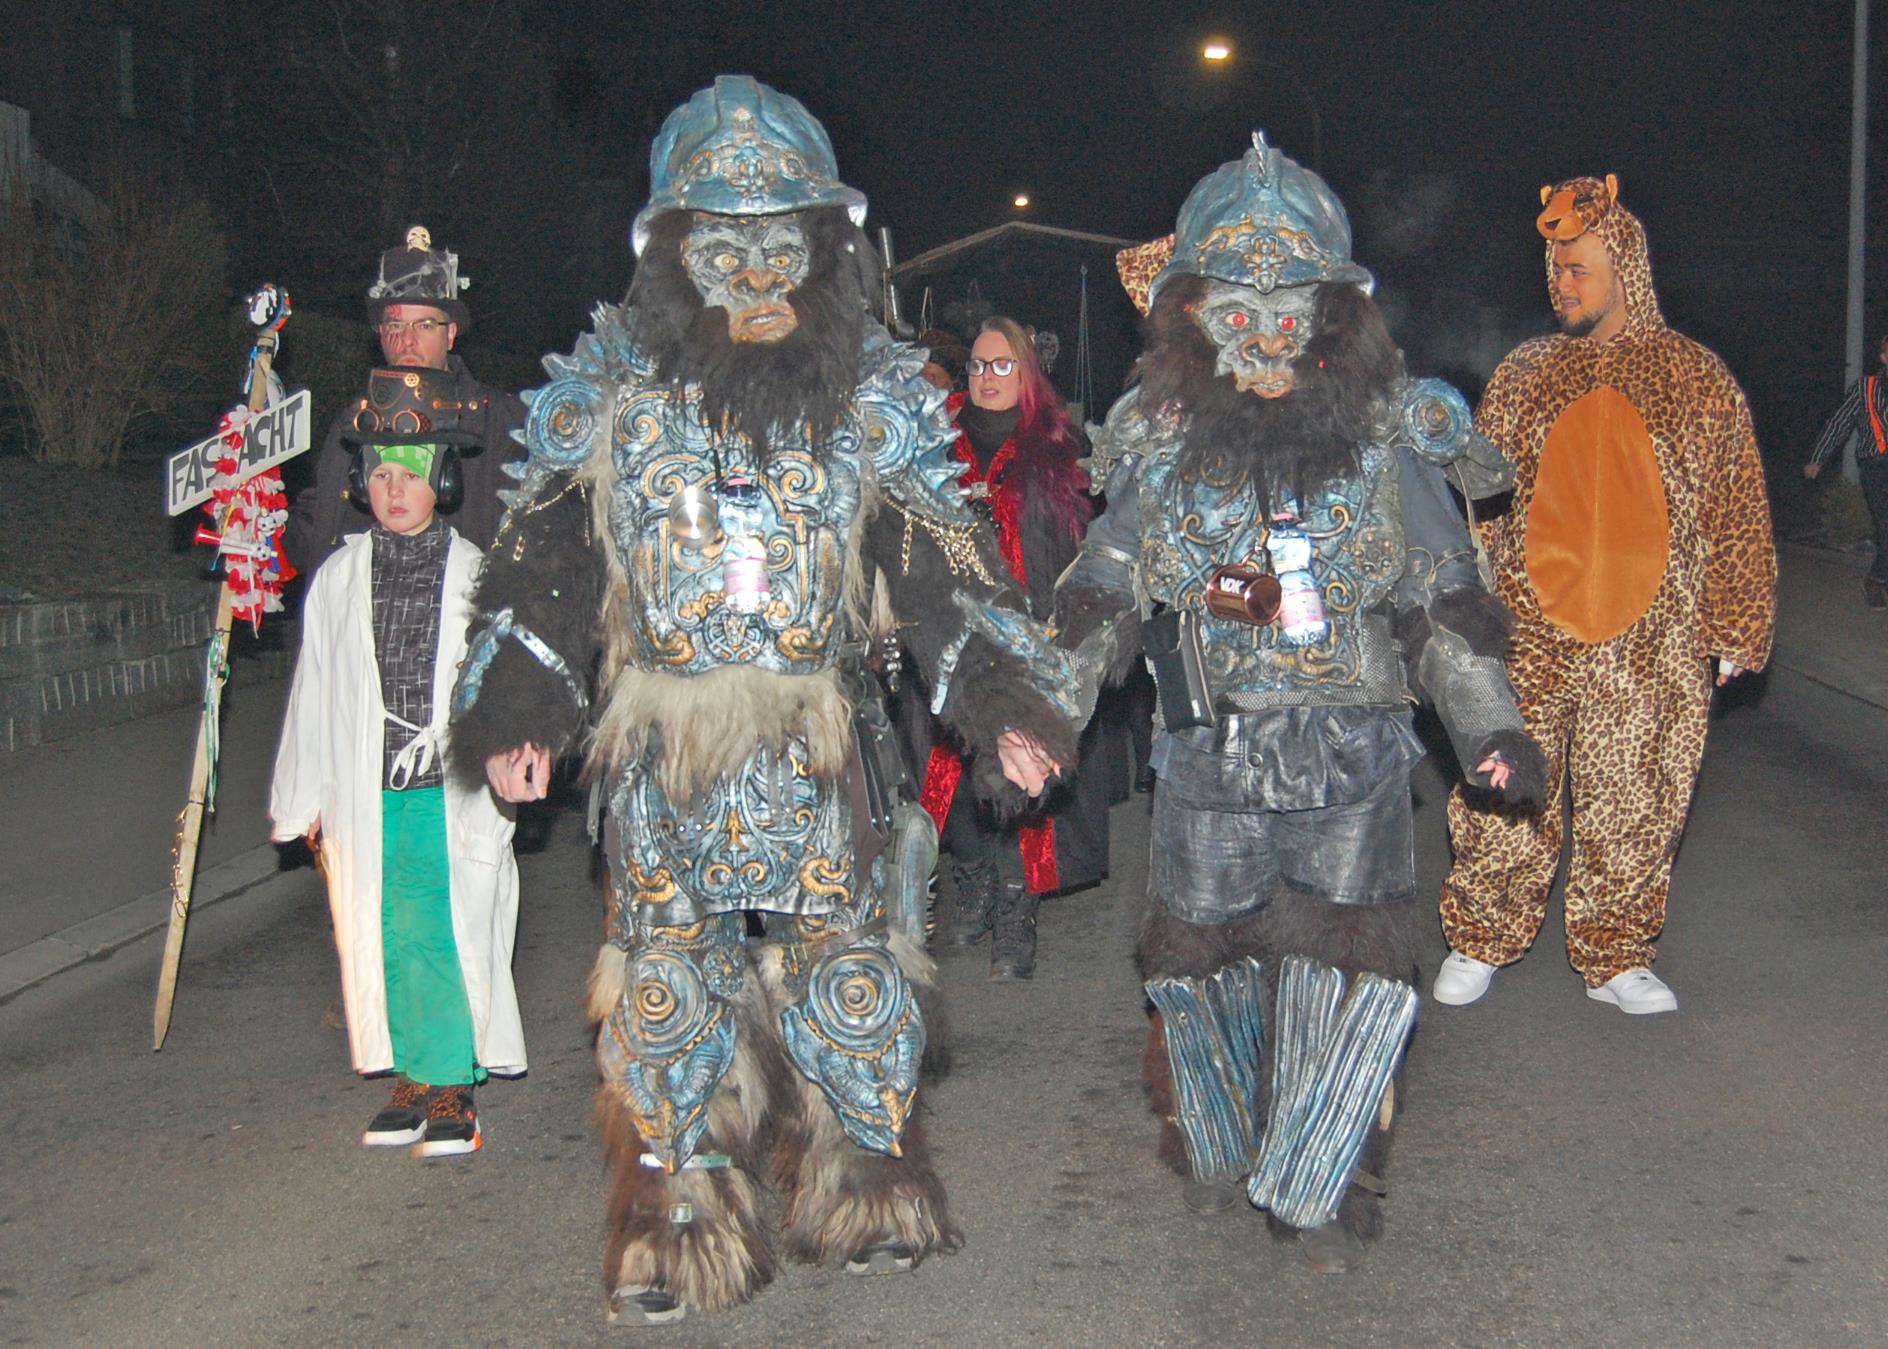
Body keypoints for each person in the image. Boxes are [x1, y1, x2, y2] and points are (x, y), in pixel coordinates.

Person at [445, 77, 1077, 1326]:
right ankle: (676, 1224)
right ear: (674, 252)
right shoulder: (608, 393)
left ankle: (870, 1187)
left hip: (816, 748)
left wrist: (1006, 700)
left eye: (780, 239)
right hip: (663, 752)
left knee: (846, 965)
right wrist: (521, 708)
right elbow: (541, 568)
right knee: (670, 978)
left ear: (825, 245)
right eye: (722, 242)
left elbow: (944, 568)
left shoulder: (878, 395)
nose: (752, 268)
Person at [1054, 134, 1542, 1272]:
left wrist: (1489, 730)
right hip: (1208, 758)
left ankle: (1329, 1163)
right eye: (1238, 309)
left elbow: (1438, 595)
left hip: (1353, 759)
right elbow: (1105, 584)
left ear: (1333, 317)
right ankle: (1226, 1120)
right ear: (1192, 315)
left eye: (1291, 310)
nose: (1266, 336)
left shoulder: (1386, 440)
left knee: (1348, 966)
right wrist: (1039, 710)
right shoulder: (1162, 443)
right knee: (1206, 964)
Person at [1434, 173, 1777, 1015]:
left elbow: (1736, 506)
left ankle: (1618, 953)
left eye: (1579, 268)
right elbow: (1484, 499)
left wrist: (1737, 623)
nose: (1564, 284)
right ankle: (1482, 934)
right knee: (1504, 786)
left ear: (1626, 265)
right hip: (1531, 628)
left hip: (1652, 635)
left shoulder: (1694, 378)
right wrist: (1468, 606)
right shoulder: (1525, 373)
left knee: (1639, 794)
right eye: (1556, 271)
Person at [270, 376, 524, 1160]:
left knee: (442, 925)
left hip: (446, 783)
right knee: (382, 927)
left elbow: (506, 680)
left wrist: (511, 752)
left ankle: (451, 1083)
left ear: (441, 482)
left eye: (410, 474)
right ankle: (412, 1074)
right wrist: (300, 793)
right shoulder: (340, 581)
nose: (394, 490)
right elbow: (316, 688)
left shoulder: (480, 573)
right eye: (380, 475)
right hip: (366, 781)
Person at [918, 317, 1110, 979]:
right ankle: (972, 887)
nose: (986, 377)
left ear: (1025, 372)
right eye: (976, 365)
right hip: (951, 636)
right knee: (947, 773)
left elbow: (1078, 550)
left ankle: (1015, 910)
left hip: (1029, 636)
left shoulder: (1055, 445)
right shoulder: (934, 446)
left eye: (1001, 365)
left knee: (1016, 777)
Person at [282, 225, 525, 574]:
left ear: (451, 333)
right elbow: (316, 531)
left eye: (424, 325)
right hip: (363, 620)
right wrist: (263, 538)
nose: (407, 341)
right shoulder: (353, 424)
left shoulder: (499, 424)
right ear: (381, 335)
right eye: (395, 326)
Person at [1804, 334, 1888, 608]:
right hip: (1876, 466)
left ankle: (1877, 576)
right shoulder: (1866, 389)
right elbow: (1838, 423)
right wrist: (1818, 458)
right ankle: (1875, 581)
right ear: (1884, 358)